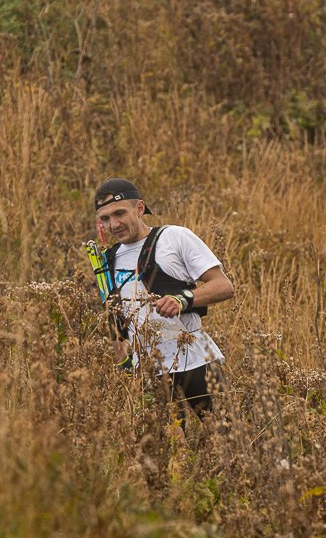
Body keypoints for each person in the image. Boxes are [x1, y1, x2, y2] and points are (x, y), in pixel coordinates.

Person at [93, 177, 234, 424]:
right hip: (148, 370)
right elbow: (116, 322)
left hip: (196, 360)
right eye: (105, 219)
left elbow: (224, 286)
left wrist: (183, 299)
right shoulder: (108, 259)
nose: (114, 224)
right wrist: (123, 364)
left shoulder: (175, 237)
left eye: (119, 213)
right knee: (170, 454)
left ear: (139, 208)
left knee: (227, 439)